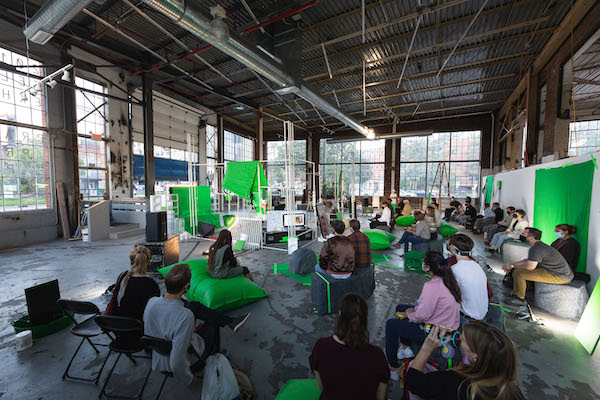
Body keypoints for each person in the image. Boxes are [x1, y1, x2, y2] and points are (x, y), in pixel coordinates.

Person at [386, 252, 461, 379]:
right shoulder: (449, 279)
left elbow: (422, 315)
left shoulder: (431, 286)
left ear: (427, 268)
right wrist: (410, 311)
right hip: (449, 326)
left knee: (391, 325)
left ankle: (393, 367)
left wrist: (409, 315)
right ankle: (406, 347)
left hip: (436, 333)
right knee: (401, 308)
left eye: (423, 263)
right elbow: (427, 308)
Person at [404, 322, 525, 400]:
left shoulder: (454, 383)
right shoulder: (513, 392)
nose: (457, 339)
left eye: (461, 341)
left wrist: (426, 348)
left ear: (474, 357)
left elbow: (412, 382)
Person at [310, 293, 389, 400]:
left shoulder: (321, 346)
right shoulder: (377, 355)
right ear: (364, 319)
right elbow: (380, 397)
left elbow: (321, 386)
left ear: (339, 315)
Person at [143, 264, 207, 386]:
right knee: (211, 328)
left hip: (158, 358)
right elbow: (177, 361)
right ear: (187, 287)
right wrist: (189, 379)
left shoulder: (151, 302)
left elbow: (153, 329)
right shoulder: (186, 315)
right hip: (180, 362)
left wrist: (189, 330)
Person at [501, 228, 574, 307]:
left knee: (519, 273)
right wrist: (512, 264)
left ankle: (520, 299)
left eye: (523, 235)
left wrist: (512, 265)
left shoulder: (537, 248)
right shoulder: (537, 246)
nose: (521, 236)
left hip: (560, 276)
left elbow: (530, 267)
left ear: (531, 238)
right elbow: (528, 261)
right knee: (517, 270)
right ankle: (517, 293)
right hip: (552, 271)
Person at [447, 235, 489, 322]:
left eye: (449, 243)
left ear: (454, 248)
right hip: (482, 316)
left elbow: (448, 296)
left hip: (467, 319)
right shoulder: (476, 265)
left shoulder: (455, 269)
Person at [112, 245, 160, 321]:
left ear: (131, 260)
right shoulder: (151, 284)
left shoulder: (123, 277)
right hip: (139, 328)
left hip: (119, 326)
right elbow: (154, 310)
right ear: (148, 261)